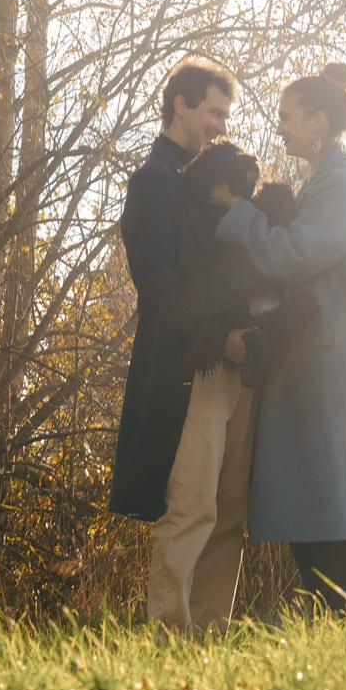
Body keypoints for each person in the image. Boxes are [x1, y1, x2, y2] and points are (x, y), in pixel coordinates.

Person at [209, 60, 346, 612]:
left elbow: (295, 255)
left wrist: (238, 214)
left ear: (318, 122)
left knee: (337, 518)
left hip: (334, 378)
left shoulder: (345, 185)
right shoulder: (326, 181)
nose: (280, 127)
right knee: (318, 518)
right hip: (317, 372)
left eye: (288, 117)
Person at [109, 55, 258, 630]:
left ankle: (212, 633)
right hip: (193, 366)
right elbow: (159, 283)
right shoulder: (154, 181)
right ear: (181, 105)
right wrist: (222, 339)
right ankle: (170, 634)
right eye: (214, 112)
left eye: (226, 115)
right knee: (193, 503)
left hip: (238, 365)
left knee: (231, 508)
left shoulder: (212, 181)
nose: (222, 125)